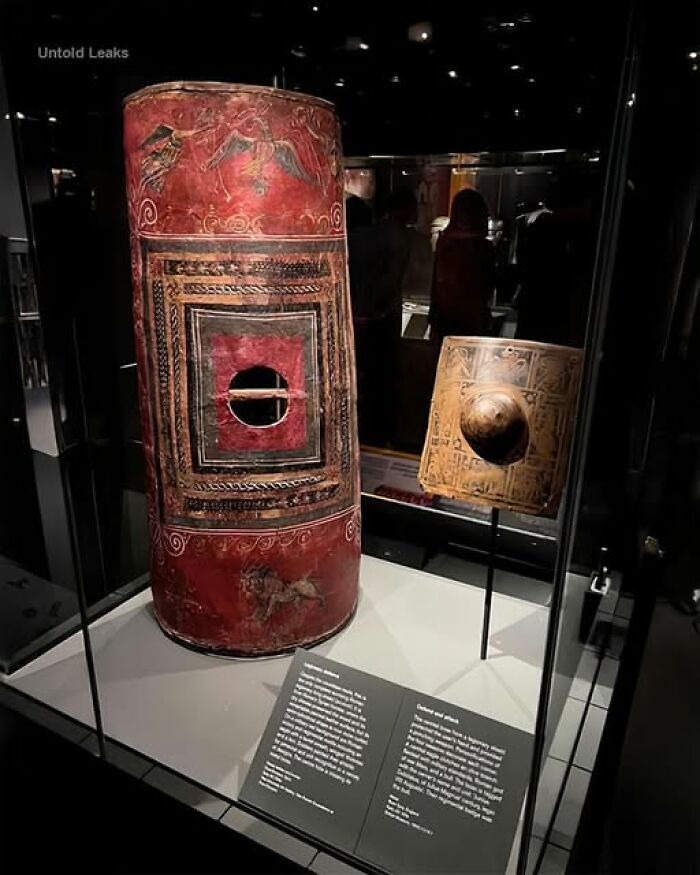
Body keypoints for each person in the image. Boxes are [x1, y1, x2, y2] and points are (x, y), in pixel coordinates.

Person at [429, 188, 496, 343]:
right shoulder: (448, 243)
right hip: (458, 318)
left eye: (468, 211)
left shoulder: (480, 247)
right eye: (462, 211)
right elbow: (436, 285)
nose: (464, 216)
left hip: (465, 318)